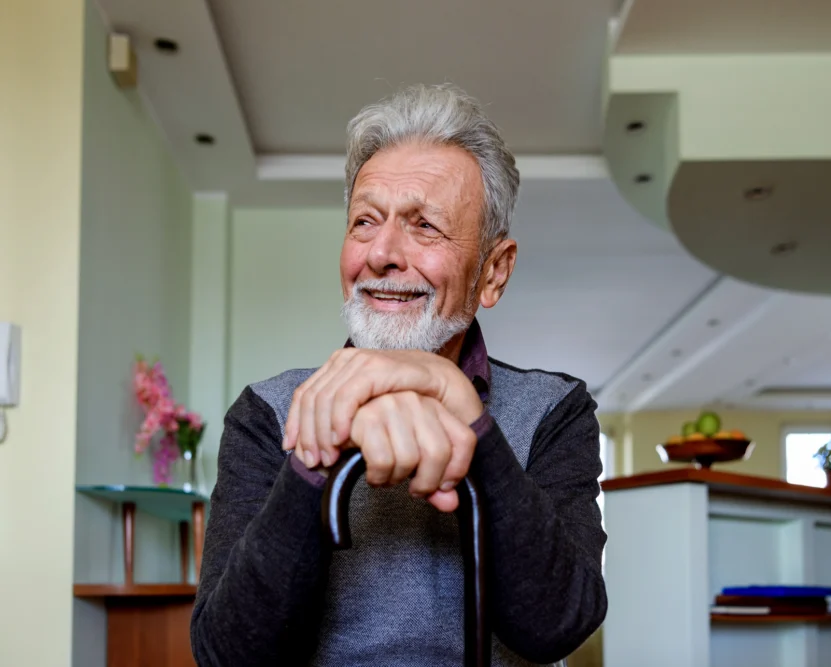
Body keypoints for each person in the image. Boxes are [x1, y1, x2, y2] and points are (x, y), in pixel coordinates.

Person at [190, 84, 607, 667]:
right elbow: (227, 654)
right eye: (365, 221)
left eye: (424, 226)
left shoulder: (556, 410)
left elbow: (557, 624)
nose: (382, 252)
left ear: (493, 271)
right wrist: (315, 451)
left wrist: (460, 408)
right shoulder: (267, 412)